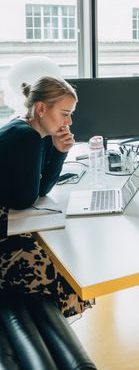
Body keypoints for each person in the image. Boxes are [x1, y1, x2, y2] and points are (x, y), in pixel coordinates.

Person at [0, 76, 93, 319]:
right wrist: (56, 153)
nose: (69, 121)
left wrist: (59, 150)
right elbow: (27, 199)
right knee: (67, 267)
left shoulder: (24, 127)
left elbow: (40, 189)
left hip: (6, 218)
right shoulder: (27, 138)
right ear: (41, 108)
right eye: (64, 113)